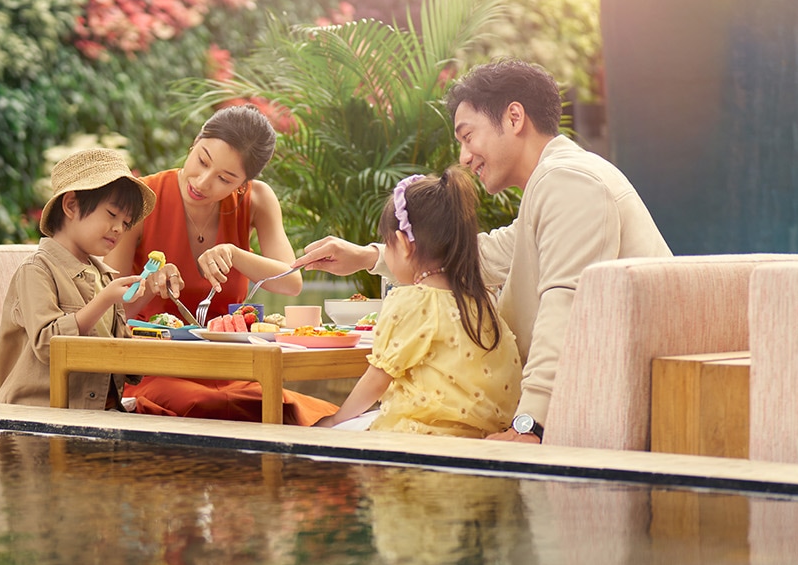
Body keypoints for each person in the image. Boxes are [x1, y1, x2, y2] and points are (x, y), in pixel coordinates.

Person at [292, 60, 670, 443]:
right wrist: (370, 255)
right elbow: (481, 256)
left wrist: (530, 427)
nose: (463, 157)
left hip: (601, 405)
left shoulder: (569, 182)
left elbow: (566, 310)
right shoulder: (558, 179)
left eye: (468, 136)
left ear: (514, 117)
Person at [106, 105, 339, 425]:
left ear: (243, 185)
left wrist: (235, 254)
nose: (202, 182)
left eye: (225, 178)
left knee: (297, 412)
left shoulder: (256, 200)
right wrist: (149, 284)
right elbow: (110, 311)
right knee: (207, 405)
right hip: (153, 368)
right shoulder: (142, 198)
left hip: (230, 367)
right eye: (202, 160)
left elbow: (290, 282)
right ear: (195, 141)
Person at [315, 169, 522, 435]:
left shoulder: (411, 301)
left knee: (333, 437)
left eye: (386, 245)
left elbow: (377, 379)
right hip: (481, 437)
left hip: (419, 435)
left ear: (403, 244)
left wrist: (335, 420)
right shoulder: (483, 300)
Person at [0, 148, 160, 408]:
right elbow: (49, 345)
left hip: (101, 414)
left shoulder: (104, 277)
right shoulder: (37, 271)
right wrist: (105, 300)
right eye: (111, 215)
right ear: (71, 205)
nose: (119, 228)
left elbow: (120, 356)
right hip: (42, 417)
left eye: (126, 223)